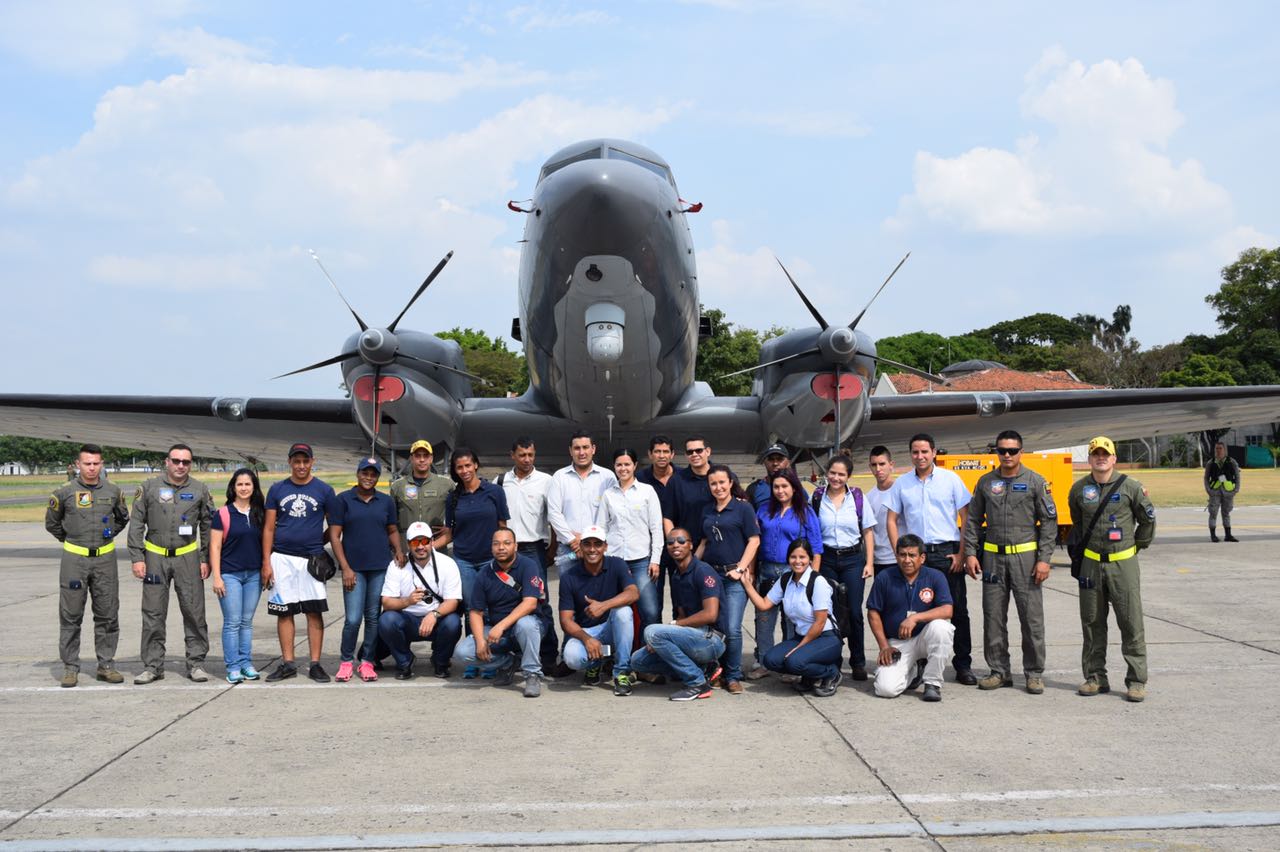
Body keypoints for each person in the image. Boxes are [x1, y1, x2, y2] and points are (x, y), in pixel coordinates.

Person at [960, 430, 1057, 695]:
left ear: (1020, 452)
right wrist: (970, 552)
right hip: (993, 559)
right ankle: (999, 671)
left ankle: (1034, 673)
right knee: (993, 617)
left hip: (1026, 560)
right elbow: (973, 520)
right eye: (1002, 450)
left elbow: (1049, 522)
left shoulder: (1036, 482)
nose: (1006, 455)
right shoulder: (985, 482)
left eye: (1012, 450)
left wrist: (1044, 560)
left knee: (1031, 619)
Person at [1068, 436, 1156, 703]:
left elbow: (1147, 522)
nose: (1100, 458)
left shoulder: (1131, 487)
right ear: (1090, 458)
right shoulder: (1079, 489)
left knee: (1131, 622)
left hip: (1123, 563)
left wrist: (1133, 548)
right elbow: (1078, 522)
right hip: (1091, 563)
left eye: (1105, 453)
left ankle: (1136, 680)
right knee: (1092, 622)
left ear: (1114, 458)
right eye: (1095, 453)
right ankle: (1095, 677)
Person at [885, 433, 974, 685]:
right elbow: (891, 520)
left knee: (957, 610)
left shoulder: (950, 480)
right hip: (916, 557)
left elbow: (966, 516)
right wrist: (899, 554)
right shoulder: (902, 484)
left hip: (947, 554)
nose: (920, 456)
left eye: (925, 451)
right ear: (910, 454)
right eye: (915, 452)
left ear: (934, 452)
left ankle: (963, 665)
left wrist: (962, 552)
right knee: (917, 610)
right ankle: (919, 666)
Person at [128, 443, 214, 684]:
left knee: (194, 611)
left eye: (185, 462)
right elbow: (136, 523)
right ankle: (153, 666)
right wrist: (137, 557)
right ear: (167, 462)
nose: (180, 466)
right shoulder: (149, 488)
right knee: (153, 613)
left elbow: (208, 526)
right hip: (155, 557)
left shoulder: (200, 489)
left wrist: (205, 558)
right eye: (175, 460)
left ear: (190, 464)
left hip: (188, 556)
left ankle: (196, 663)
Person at [45, 444, 130, 687]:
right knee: (71, 615)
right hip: (75, 560)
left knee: (107, 614)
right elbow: (52, 524)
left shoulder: (113, 491)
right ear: (77, 465)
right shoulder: (63, 493)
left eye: (96, 463)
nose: (91, 468)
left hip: (105, 560)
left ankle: (106, 665)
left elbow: (123, 518)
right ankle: (70, 667)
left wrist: (107, 535)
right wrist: (71, 539)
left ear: (102, 465)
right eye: (87, 463)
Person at [261, 442, 337, 683]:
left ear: (312, 462)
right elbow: (269, 527)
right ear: (290, 462)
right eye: (297, 461)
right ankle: (288, 663)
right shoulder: (277, 489)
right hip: (281, 558)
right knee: (285, 612)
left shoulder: (324, 490)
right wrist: (266, 562)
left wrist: (318, 540)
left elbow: (334, 526)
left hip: (310, 560)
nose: (301, 465)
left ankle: (315, 664)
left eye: (305, 461)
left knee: (313, 612)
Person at [630, 527, 727, 701]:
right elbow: (682, 616)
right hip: (691, 637)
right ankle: (704, 670)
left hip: (711, 640)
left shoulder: (702, 571)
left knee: (651, 631)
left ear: (690, 545)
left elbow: (711, 614)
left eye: (682, 541)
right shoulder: (676, 575)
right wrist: (662, 639)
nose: (676, 544)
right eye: (671, 542)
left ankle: (696, 683)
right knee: (638, 660)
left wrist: (671, 628)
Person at [329, 457, 401, 683]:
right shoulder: (344, 500)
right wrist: (346, 567)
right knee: (352, 619)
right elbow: (334, 535)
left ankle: (368, 661)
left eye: (373, 474)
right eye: (365, 473)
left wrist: (398, 549)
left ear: (377, 477)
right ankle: (346, 661)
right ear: (358, 473)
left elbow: (392, 529)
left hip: (379, 567)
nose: (368, 477)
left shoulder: (385, 501)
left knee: (372, 618)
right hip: (354, 569)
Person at [741, 538, 843, 696]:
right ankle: (810, 674)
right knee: (770, 660)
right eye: (793, 557)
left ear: (810, 559)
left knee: (794, 662)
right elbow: (764, 605)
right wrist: (747, 584)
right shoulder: (785, 580)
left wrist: (798, 648)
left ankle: (831, 672)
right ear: (788, 559)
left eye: (802, 557)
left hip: (826, 637)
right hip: (802, 636)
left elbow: (820, 622)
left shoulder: (818, 582)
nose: (797, 561)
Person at [748, 468, 823, 681]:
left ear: (794, 488)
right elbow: (755, 542)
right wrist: (752, 570)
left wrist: (812, 578)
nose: (780, 491)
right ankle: (764, 662)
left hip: (794, 573)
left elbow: (816, 548)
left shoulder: (805, 512)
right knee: (763, 619)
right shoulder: (763, 510)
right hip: (767, 570)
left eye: (785, 486)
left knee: (793, 619)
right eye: (776, 487)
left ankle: (791, 663)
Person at [453, 529, 548, 697]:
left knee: (526, 624)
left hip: (527, 626)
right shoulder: (484, 574)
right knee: (462, 652)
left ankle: (532, 674)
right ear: (491, 548)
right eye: (496, 544)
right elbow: (475, 611)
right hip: (497, 631)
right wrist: (481, 641)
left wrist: (501, 626)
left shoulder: (528, 565)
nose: (501, 548)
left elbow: (530, 603)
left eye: (506, 543)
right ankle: (508, 663)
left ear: (515, 546)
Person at [866, 534, 955, 702]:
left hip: (925, 638)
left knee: (942, 628)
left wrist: (915, 618)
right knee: (885, 689)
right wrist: (884, 646)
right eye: (902, 555)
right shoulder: (884, 577)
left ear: (922, 558)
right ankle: (913, 672)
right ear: (896, 556)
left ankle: (932, 683)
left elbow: (947, 610)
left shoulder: (935, 576)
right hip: (897, 642)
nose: (907, 560)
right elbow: (873, 612)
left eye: (912, 555)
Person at [694, 464, 759, 694]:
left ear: (731, 482)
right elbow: (703, 542)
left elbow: (754, 540)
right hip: (712, 576)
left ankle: (733, 675)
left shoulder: (743, 509)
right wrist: (693, 567)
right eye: (713, 483)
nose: (718, 487)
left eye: (722, 482)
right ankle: (716, 672)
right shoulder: (707, 511)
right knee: (714, 626)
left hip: (734, 578)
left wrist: (741, 568)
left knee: (732, 628)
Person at [813, 455, 877, 681]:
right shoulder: (818, 497)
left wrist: (869, 562)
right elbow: (813, 531)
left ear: (848, 476)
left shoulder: (857, 498)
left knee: (853, 611)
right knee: (830, 612)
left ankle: (858, 661)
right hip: (828, 559)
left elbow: (868, 531)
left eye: (841, 474)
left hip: (852, 559)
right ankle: (834, 659)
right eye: (832, 473)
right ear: (826, 473)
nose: (836, 478)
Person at [498, 436, 560, 670]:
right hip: (508, 551)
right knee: (511, 601)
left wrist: (552, 548)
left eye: (531, 455)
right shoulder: (501, 480)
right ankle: (515, 653)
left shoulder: (546, 481)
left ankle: (548, 655)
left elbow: (553, 518)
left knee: (540, 601)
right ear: (512, 455)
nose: (527, 459)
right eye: (522, 455)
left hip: (534, 549)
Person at [558, 525, 639, 695]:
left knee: (624, 612)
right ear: (581, 547)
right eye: (587, 544)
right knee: (572, 657)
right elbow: (565, 621)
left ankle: (621, 672)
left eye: (597, 544)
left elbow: (633, 593)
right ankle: (595, 662)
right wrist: (587, 639)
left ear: (605, 546)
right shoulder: (569, 577)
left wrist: (603, 606)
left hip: (611, 629)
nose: (592, 549)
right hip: (586, 631)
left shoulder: (617, 564)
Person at [378, 522, 463, 679]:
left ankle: (440, 661)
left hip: (437, 620)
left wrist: (434, 615)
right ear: (408, 544)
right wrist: (407, 601)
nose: (420, 547)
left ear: (431, 542)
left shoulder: (447, 564)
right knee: (387, 620)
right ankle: (405, 662)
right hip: (407, 620)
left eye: (424, 541)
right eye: (415, 542)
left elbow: (453, 601)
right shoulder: (397, 565)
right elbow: (387, 602)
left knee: (453, 622)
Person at [595, 448, 664, 628]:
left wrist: (655, 560)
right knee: (612, 609)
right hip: (614, 560)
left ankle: (647, 653)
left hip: (641, 560)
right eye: (619, 464)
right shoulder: (608, 495)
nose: (623, 468)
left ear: (635, 465)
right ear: (614, 466)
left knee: (650, 611)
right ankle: (613, 652)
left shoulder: (647, 491)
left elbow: (656, 528)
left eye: (627, 464)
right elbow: (601, 529)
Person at [209, 468, 266, 684]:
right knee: (232, 622)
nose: (243, 488)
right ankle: (232, 666)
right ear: (233, 487)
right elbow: (214, 547)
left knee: (246, 622)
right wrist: (217, 577)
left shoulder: (259, 513)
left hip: (254, 575)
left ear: (254, 488)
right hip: (230, 574)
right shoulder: (222, 514)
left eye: (248, 484)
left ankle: (245, 663)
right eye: (240, 484)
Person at [547, 430, 617, 574]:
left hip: (598, 548)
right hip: (568, 549)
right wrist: (573, 540)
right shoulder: (559, 477)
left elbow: (612, 514)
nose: (581, 452)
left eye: (585, 447)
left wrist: (590, 540)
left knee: (600, 592)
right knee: (569, 592)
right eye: (577, 448)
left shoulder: (608, 477)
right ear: (570, 451)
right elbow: (554, 513)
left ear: (593, 449)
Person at [664, 436, 730, 552]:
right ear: (686, 456)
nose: (694, 454)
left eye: (699, 450)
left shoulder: (723, 475)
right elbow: (667, 517)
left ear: (708, 451)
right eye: (690, 452)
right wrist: (676, 543)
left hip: (721, 545)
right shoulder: (676, 481)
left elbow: (739, 505)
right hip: (687, 548)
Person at [389, 439, 449, 538]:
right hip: (407, 545)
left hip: (436, 544)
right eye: (417, 456)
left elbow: (460, 510)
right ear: (411, 459)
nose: (422, 459)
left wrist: (450, 527)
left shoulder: (446, 484)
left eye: (426, 455)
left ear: (431, 459)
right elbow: (391, 521)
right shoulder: (397, 486)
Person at [864, 446, 898, 575]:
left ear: (891, 465)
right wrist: (870, 562)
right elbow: (869, 532)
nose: (878, 469)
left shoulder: (902, 491)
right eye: (874, 465)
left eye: (882, 464)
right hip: (880, 561)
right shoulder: (868, 498)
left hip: (903, 557)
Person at [1204, 441, 1241, 542]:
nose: (1218, 450)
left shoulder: (1232, 462)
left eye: (1220, 448)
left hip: (1228, 491)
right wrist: (1208, 490)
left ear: (1224, 450)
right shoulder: (1210, 463)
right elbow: (1206, 477)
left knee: (1226, 513)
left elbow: (1237, 476)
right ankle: (1213, 536)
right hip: (1215, 492)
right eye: (1216, 448)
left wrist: (1236, 489)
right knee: (1213, 513)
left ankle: (1228, 535)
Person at [748, 443, 793, 510]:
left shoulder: (796, 487)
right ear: (764, 462)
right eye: (771, 459)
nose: (775, 463)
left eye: (779, 459)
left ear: (788, 462)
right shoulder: (754, 489)